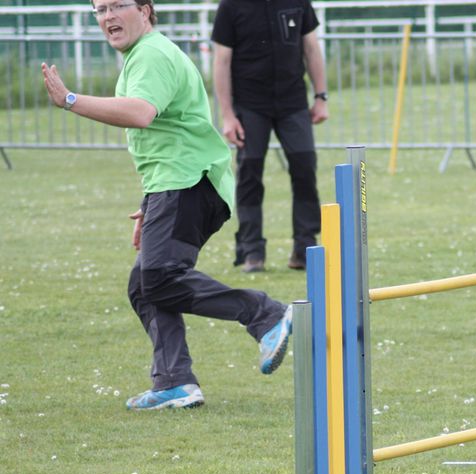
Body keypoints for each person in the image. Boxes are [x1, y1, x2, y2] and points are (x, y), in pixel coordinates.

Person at [42, 0, 292, 411]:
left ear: (145, 9)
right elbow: (165, 133)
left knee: (157, 277)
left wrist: (71, 99)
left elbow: (141, 114)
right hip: (177, 185)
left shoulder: (152, 55)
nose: (108, 17)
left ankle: (264, 314)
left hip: (187, 183)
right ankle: (174, 381)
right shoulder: (143, 55)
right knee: (145, 283)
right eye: (99, 9)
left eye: (117, 5)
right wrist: (150, 204)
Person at [211, 0, 328, 273]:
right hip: (250, 105)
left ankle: (304, 247)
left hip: (293, 102)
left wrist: (321, 97)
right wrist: (227, 115)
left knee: (305, 170)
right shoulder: (230, 6)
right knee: (250, 174)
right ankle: (252, 250)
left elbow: (311, 48)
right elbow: (221, 61)